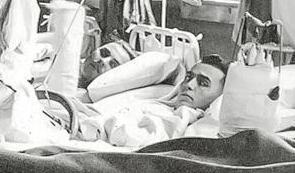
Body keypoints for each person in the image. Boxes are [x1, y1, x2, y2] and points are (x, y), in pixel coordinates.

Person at [97, 55, 228, 146]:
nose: (189, 85)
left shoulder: (189, 121)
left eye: (203, 83)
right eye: (188, 77)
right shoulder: (156, 105)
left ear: (220, 96)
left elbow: (136, 136)